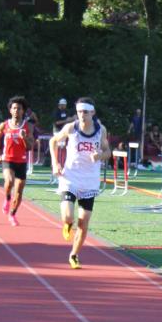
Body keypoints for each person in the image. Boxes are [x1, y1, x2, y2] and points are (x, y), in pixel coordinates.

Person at [50, 98, 110, 268]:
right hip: (70, 177)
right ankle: (68, 224)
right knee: (68, 216)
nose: (82, 115)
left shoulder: (100, 130)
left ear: (93, 112)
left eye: (85, 112)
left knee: (83, 222)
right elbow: (53, 141)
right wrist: (55, 162)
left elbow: (108, 151)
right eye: (79, 112)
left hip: (89, 181)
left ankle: (74, 255)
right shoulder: (71, 128)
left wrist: (99, 156)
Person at [0, 97, 33, 225]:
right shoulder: (4, 125)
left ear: (23, 111)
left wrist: (24, 138)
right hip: (8, 159)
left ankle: (13, 214)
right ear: (10, 110)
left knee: (19, 190)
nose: (16, 110)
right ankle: (7, 198)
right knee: (9, 181)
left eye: (19, 108)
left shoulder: (28, 126)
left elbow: (29, 147)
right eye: (14, 108)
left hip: (21, 161)